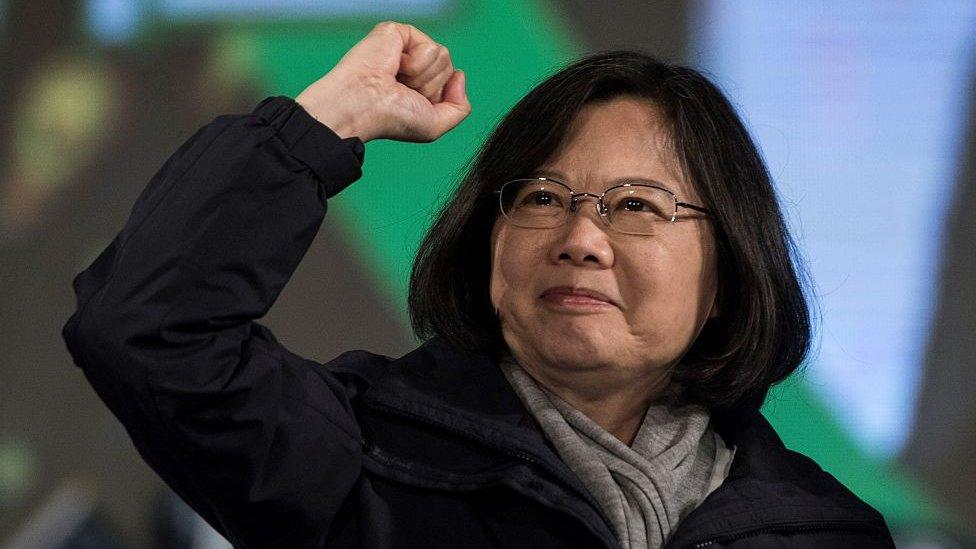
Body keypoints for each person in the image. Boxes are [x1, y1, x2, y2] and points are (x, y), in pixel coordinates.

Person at [62, 21, 895, 548]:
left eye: (636, 205)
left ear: (727, 278)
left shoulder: (820, 530)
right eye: (540, 197)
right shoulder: (361, 454)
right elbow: (145, 327)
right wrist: (328, 121)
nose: (579, 239)